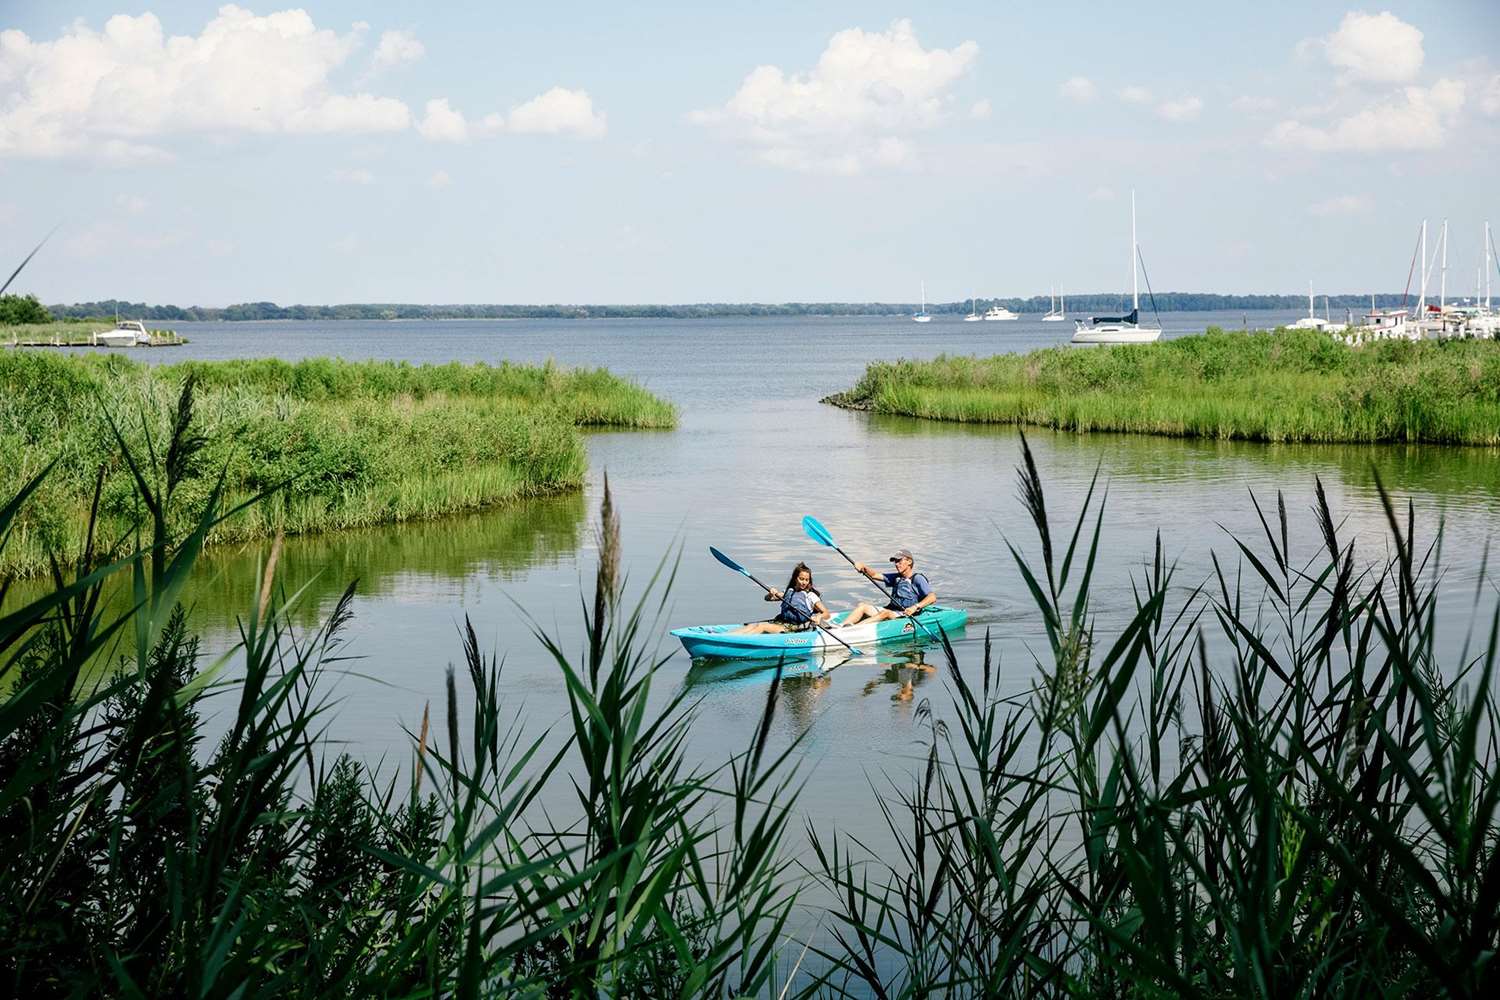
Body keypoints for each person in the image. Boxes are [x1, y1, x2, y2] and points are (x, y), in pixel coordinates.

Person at [840, 547, 934, 627]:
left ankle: (854, 629)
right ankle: (842, 627)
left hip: (906, 615)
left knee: (885, 613)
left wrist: (915, 607)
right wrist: (863, 567)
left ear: (909, 561)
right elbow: (874, 575)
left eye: (899, 561)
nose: (896, 564)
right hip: (892, 611)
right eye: (895, 562)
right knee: (862, 606)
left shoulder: (918, 578)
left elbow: (932, 597)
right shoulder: (896, 577)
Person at [733, 562, 833, 634]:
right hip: (781, 622)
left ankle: (734, 642)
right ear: (795, 579)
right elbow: (767, 599)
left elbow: (826, 613)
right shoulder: (788, 592)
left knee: (761, 626)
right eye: (801, 579)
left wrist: (819, 617)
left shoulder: (811, 596)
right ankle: (727, 637)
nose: (804, 582)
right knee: (752, 625)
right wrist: (771, 593)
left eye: (806, 580)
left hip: (794, 628)